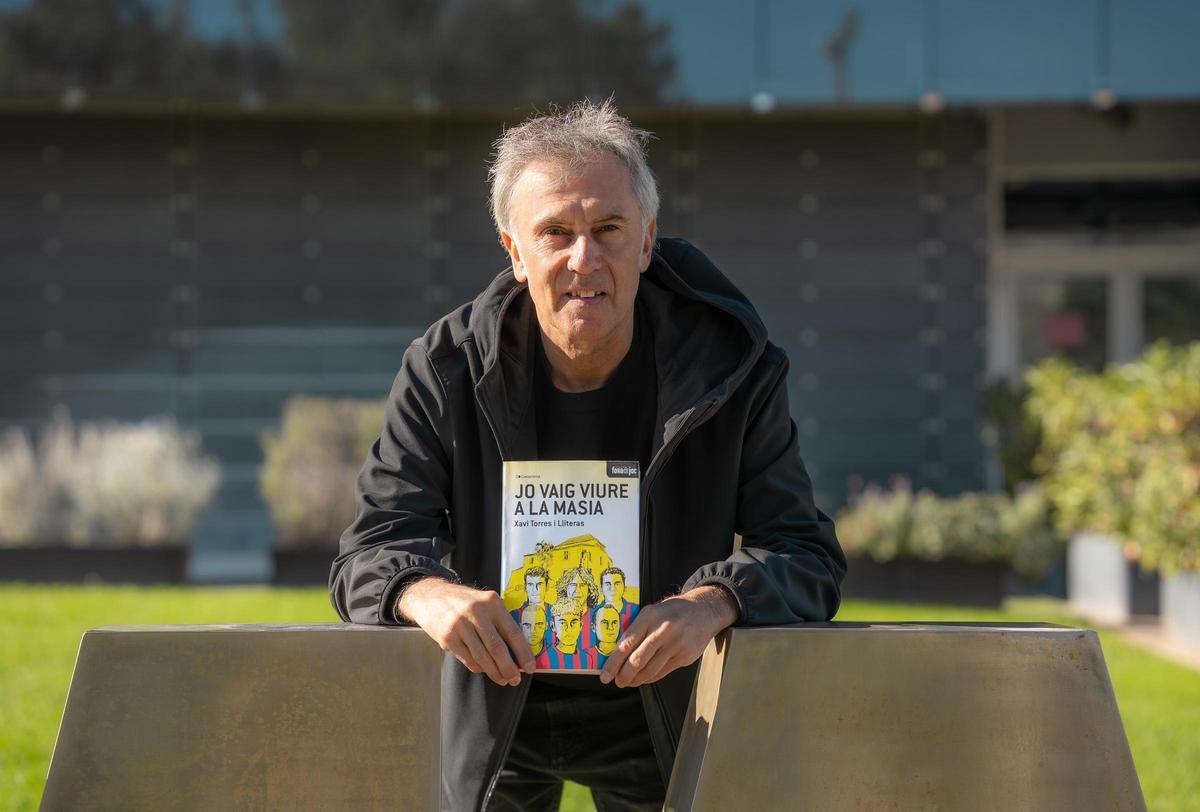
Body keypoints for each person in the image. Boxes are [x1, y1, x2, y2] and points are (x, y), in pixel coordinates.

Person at [329, 98, 846, 811]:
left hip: (662, 706)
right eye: (555, 233)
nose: (585, 259)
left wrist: (712, 604)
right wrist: (427, 594)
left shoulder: (733, 370)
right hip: (495, 706)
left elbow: (805, 556)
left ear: (647, 242)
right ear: (514, 252)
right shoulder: (444, 370)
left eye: (609, 229)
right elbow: (366, 555)